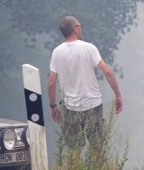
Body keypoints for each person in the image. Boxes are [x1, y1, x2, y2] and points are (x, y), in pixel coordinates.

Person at [47, 16, 123, 159]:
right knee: (97, 147)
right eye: (79, 25)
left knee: (73, 150)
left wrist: (53, 106)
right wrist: (118, 95)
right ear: (75, 29)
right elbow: (107, 71)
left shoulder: (57, 52)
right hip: (92, 105)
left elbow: (51, 83)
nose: (81, 27)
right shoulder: (88, 48)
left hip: (70, 107)